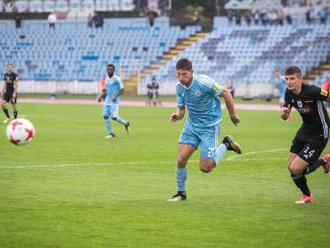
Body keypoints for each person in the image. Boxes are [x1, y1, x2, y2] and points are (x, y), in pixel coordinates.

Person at [168, 58, 242, 202]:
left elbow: (226, 93)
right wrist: (177, 115)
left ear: (192, 72)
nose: (182, 78)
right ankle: (181, 193)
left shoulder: (203, 83)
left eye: (185, 74)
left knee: (206, 168)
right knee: (181, 159)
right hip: (191, 126)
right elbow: (182, 110)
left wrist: (232, 115)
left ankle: (226, 144)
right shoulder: (179, 87)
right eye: (179, 75)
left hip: (209, 127)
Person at [280, 66, 330, 204]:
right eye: (287, 79)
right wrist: (284, 114)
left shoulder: (313, 91)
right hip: (304, 130)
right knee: (291, 167)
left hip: (319, 133)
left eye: (292, 79)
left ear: (300, 79)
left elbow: (328, 96)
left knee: (296, 169)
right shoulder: (289, 93)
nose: (289, 82)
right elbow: (285, 115)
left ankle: (324, 160)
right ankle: (307, 196)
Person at [97, 64, 130, 138]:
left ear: (113, 70)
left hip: (114, 101)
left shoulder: (117, 79)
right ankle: (111, 133)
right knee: (105, 116)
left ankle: (126, 123)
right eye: (108, 69)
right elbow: (106, 91)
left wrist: (116, 96)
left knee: (114, 117)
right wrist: (101, 97)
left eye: (111, 69)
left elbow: (122, 90)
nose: (109, 70)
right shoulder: (106, 79)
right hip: (107, 101)